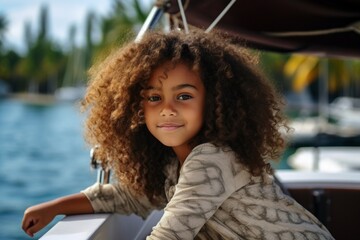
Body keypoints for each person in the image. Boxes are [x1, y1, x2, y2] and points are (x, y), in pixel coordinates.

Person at [22, 29, 334, 239]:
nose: (167, 109)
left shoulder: (212, 158)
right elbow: (131, 197)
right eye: (154, 98)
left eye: (183, 96)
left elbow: (171, 234)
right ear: (138, 107)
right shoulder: (174, 165)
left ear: (213, 101)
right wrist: (55, 206)